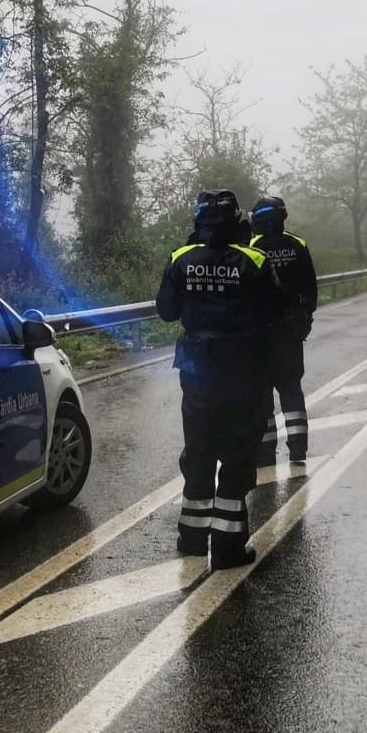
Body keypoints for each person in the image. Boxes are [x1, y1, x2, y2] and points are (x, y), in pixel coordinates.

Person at [156, 191, 282, 569]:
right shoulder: (255, 260)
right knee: (237, 455)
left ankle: (192, 540)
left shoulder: (181, 259)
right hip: (243, 374)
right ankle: (228, 550)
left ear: (199, 222)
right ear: (237, 222)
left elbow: (166, 312)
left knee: (198, 450)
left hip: (196, 373)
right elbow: (275, 312)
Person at [250, 196, 318, 465]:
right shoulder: (297, 244)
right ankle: (298, 449)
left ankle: (266, 454)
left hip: (261, 337)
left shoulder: (251, 247)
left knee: (263, 395)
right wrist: (304, 320)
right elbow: (310, 290)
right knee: (292, 391)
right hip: (290, 334)